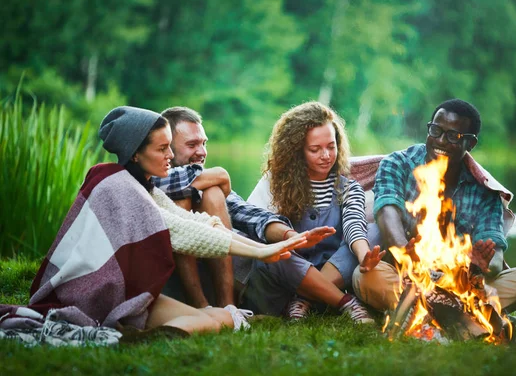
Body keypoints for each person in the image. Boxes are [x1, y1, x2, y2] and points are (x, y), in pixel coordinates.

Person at [1, 106, 310, 339]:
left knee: (214, 320)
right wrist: (260, 253)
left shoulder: (145, 186)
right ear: (135, 154)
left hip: (129, 293)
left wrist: (268, 246)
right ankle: (126, 339)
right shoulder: (115, 184)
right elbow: (181, 232)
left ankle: (141, 337)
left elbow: (196, 223)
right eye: (162, 149)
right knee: (213, 321)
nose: (169, 155)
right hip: (91, 294)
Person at [352, 98, 516, 313]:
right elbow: (387, 213)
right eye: (436, 130)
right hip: (406, 276)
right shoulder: (398, 163)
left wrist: (483, 265)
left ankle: (428, 313)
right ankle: (461, 316)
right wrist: (406, 253)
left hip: (460, 284)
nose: (440, 141)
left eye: (453, 136)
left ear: (470, 144)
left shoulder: (484, 191)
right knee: (365, 276)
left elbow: (495, 255)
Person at [152, 107, 335, 309]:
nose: (202, 152)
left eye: (204, 143)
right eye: (192, 144)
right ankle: (208, 306)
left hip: (225, 276)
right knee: (188, 197)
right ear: (167, 147)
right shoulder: (147, 179)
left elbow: (249, 214)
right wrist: (220, 173)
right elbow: (154, 183)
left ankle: (338, 301)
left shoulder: (208, 185)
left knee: (276, 253)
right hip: (168, 281)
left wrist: (291, 236)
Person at [243, 101, 385, 323]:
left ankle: (305, 299)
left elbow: (354, 224)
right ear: (296, 151)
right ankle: (340, 301)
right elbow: (253, 224)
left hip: (334, 269)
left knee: (373, 231)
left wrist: (363, 255)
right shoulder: (274, 183)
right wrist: (288, 240)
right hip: (287, 275)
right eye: (315, 149)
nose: (326, 155)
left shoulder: (348, 188)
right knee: (278, 250)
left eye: (331, 146)